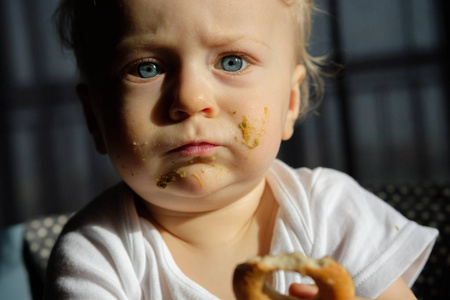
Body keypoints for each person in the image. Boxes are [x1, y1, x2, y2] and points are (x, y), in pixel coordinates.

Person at [44, 0, 438, 299]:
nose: (190, 97)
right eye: (147, 68)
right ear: (95, 118)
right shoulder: (97, 255)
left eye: (232, 62)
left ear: (288, 103)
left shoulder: (334, 211)